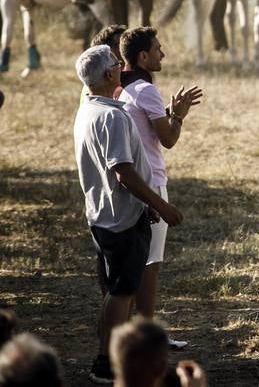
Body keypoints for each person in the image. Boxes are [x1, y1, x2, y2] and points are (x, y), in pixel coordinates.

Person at [73, 45, 182, 385]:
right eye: (117, 64)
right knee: (121, 294)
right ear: (108, 75)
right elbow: (124, 172)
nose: (122, 67)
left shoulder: (89, 109)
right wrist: (161, 205)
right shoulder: (112, 116)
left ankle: (110, 356)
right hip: (121, 218)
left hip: (104, 214)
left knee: (118, 290)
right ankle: (105, 364)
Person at [118, 28, 202, 332]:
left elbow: (142, 126)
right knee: (151, 262)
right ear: (142, 56)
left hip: (130, 182)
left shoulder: (120, 87)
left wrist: (167, 111)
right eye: (157, 49)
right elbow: (167, 139)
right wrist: (178, 116)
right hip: (151, 180)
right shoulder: (146, 89)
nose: (162, 54)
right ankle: (147, 330)